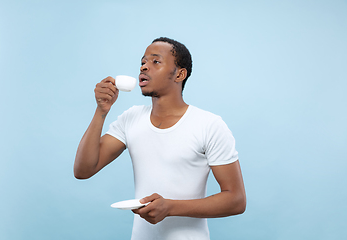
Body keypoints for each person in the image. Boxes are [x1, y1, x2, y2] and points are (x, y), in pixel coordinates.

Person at [74, 37, 246, 240]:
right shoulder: (131, 118)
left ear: (180, 74)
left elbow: (236, 200)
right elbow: (83, 170)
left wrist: (170, 207)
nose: (144, 67)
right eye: (143, 62)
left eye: (155, 61)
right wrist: (101, 110)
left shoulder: (209, 125)